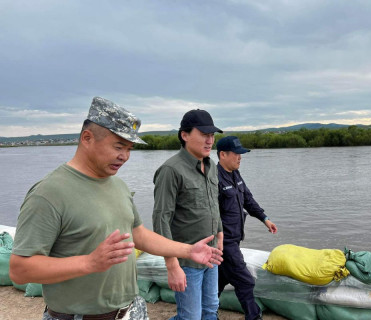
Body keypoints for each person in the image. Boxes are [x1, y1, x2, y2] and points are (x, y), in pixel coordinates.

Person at [9, 97, 222, 320]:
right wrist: (88, 262)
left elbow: (138, 234)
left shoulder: (118, 185)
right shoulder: (49, 193)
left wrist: (186, 251)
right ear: (87, 138)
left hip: (131, 311)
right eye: (118, 146)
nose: (125, 156)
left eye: (129, 148)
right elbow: (20, 269)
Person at [152, 109, 224, 320]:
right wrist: (172, 265)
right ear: (184, 135)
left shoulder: (211, 167)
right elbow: (161, 219)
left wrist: (219, 232)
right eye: (204, 134)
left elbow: (213, 203)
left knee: (210, 310)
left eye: (212, 135)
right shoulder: (171, 170)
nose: (210, 140)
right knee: (190, 316)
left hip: (210, 255)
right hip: (186, 260)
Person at [216, 136, 278, 320]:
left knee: (219, 281)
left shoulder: (235, 174)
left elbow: (248, 200)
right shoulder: (215, 179)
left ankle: (208, 314)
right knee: (245, 281)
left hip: (234, 239)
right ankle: (253, 317)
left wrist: (264, 218)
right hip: (224, 242)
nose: (240, 157)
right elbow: (210, 214)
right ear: (223, 155)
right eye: (236, 154)